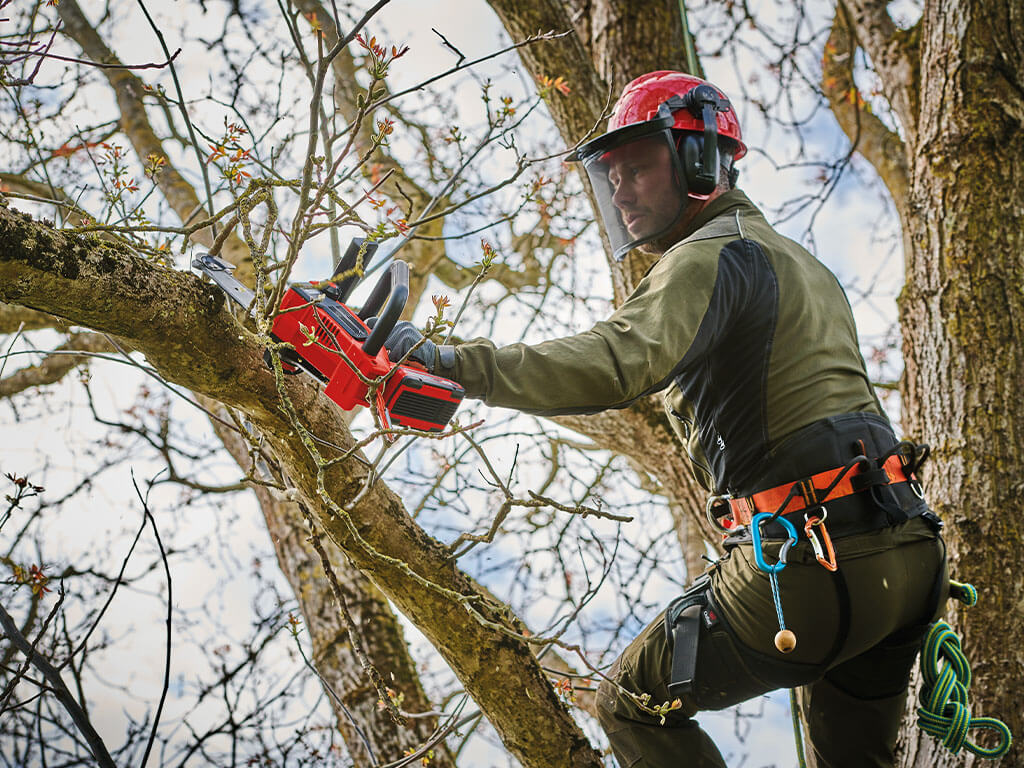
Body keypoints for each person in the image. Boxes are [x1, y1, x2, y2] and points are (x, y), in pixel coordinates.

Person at [381, 71, 947, 767]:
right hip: (907, 556)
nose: (619, 191)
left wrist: (451, 364)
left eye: (637, 167)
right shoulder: (797, 262)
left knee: (630, 701)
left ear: (701, 160)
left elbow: (617, 361)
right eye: (611, 175)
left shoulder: (711, 255)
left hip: (812, 561)